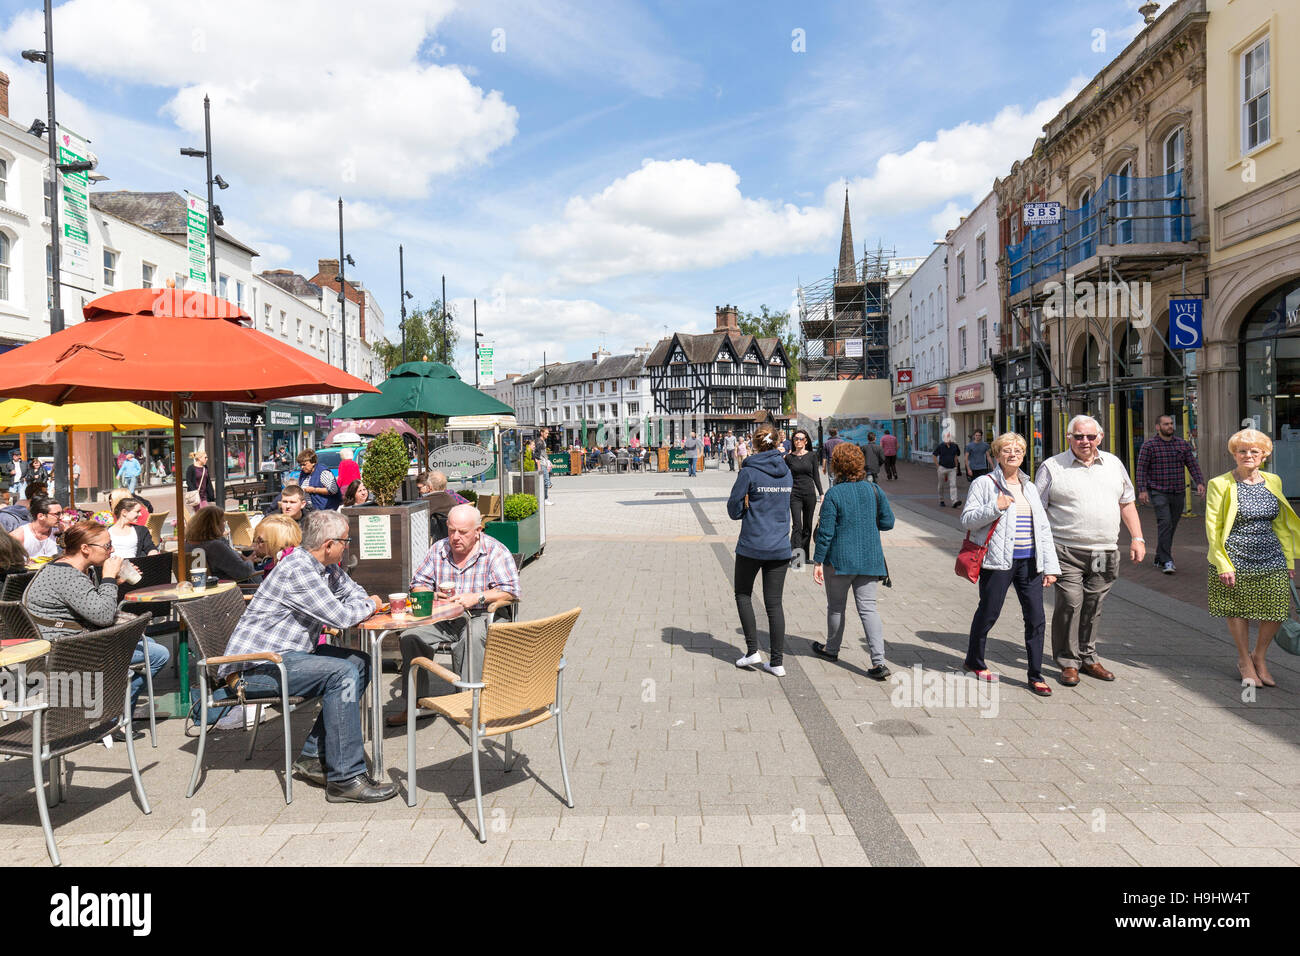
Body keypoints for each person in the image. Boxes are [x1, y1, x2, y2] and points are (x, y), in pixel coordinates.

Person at [213, 510, 394, 802]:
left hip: (288, 657)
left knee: (359, 663)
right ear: (329, 544)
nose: (347, 546)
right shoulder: (298, 569)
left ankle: (312, 756)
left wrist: (363, 601)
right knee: (341, 672)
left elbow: (354, 592)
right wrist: (372, 605)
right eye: (345, 541)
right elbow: (342, 616)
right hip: (257, 669)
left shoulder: (326, 566)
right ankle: (345, 780)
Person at [21, 519, 168, 728]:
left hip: (69, 640)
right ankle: (111, 718)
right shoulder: (66, 575)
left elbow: (92, 605)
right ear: (85, 549)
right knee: (157, 655)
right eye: (107, 546)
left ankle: (105, 705)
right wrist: (108, 577)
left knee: (148, 642)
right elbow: (103, 616)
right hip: (62, 651)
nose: (112, 550)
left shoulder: (74, 568)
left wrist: (115, 581)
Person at [1036, 414, 1145, 687]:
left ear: (1100, 437)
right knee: (1071, 603)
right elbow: (1036, 511)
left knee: (1094, 605)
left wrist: (1138, 538)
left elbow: (1127, 503)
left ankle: (1088, 657)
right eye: (1079, 436)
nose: (1085, 441)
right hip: (1066, 549)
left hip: (1103, 552)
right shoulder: (1052, 467)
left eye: (1090, 436)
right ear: (1068, 437)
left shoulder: (1114, 464)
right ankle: (1068, 662)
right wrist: (1041, 553)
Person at [389, 503, 520, 725]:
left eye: (463, 532)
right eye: (451, 530)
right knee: (410, 637)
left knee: (472, 635)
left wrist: (476, 597)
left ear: (479, 531)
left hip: (483, 614)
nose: (455, 537)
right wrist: (430, 595)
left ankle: (470, 703)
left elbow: (511, 592)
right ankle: (415, 703)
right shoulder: (439, 549)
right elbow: (418, 583)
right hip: (445, 617)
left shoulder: (495, 551)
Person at [960, 433, 1060, 696]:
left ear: (1024, 454)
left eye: (1018, 449)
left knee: (1037, 618)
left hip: (1030, 562)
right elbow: (968, 520)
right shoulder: (984, 483)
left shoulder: (1030, 487)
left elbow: (1043, 528)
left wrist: (1050, 566)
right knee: (989, 612)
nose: (1013, 453)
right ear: (996, 454)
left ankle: (1035, 675)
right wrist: (995, 506)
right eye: (1006, 449)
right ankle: (974, 660)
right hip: (998, 561)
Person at [1205, 429, 1300, 688]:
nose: (1248, 455)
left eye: (1254, 451)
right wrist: (1222, 563)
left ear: (1264, 455)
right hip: (1234, 556)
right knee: (1238, 609)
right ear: (1234, 454)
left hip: (1271, 554)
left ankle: (1259, 655)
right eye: (1242, 451)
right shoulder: (1220, 484)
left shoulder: (1273, 481)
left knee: (1278, 608)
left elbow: (1280, 523)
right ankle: (1244, 661)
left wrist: (1289, 560)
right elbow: (1213, 527)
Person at [811, 443, 894, 678]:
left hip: (838, 560)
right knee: (869, 609)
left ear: (836, 466)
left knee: (836, 607)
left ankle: (831, 648)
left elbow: (825, 533)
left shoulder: (834, 494)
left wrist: (818, 562)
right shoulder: (874, 490)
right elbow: (888, 522)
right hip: (869, 559)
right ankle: (879, 662)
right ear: (860, 464)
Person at [727, 424, 792, 677]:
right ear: (777, 443)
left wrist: (745, 511)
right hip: (779, 546)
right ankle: (777, 662)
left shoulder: (749, 471)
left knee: (743, 594)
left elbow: (733, 509)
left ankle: (753, 650)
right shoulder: (786, 471)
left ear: (754, 444)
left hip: (752, 545)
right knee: (774, 604)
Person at [1136, 413, 1206, 574]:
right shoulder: (1149, 446)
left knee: (1171, 526)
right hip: (1158, 491)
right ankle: (1168, 560)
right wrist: (1142, 490)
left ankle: (1159, 556)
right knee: (1165, 523)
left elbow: (1192, 465)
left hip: (1178, 491)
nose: (1170, 427)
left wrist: (1200, 482)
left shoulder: (1182, 445)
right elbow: (1141, 469)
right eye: (1166, 424)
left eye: (1171, 424)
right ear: (1158, 427)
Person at [188, 505, 257, 582]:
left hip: (197, 587)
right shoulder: (215, 546)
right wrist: (250, 561)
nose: (224, 524)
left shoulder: (186, 545)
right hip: (230, 588)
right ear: (215, 525)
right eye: (223, 521)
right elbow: (244, 572)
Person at [785, 428, 822, 560]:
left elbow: (816, 476)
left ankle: (805, 556)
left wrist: (821, 493)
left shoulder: (812, 456)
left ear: (805, 441)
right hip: (794, 494)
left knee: (807, 525)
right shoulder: (789, 458)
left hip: (809, 494)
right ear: (793, 441)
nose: (798, 441)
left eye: (801, 439)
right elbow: (782, 474)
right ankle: (796, 559)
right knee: (797, 525)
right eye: (796, 438)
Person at [10, 496, 62, 560]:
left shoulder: (60, 531)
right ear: (41, 516)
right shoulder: (19, 535)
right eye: (57, 514)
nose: (61, 517)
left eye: (62, 513)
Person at [933, 434, 962, 508]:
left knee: (953, 485)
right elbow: (934, 455)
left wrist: (956, 466)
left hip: (952, 468)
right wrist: (938, 466)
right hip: (942, 467)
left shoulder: (955, 446)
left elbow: (956, 455)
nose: (947, 441)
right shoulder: (940, 446)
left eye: (948, 440)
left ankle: (954, 501)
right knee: (941, 485)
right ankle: (941, 500)